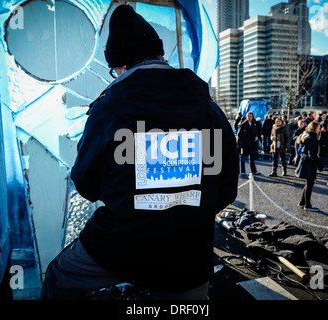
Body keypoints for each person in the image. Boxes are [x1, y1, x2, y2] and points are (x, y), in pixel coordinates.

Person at [41, 5, 239, 300]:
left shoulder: (108, 108)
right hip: (189, 255)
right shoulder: (210, 110)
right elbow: (226, 188)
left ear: (120, 65)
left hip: (119, 247)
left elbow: (86, 184)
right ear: (160, 55)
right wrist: (184, 212)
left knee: (58, 278)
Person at [295, 121, 324, 212]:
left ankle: (302, 202)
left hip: (305, 161)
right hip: (309, 163)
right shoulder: (311, 138)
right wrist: (320, 165)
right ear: (315, 128)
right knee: (310, 184)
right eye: (319, 128)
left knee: (308, 183)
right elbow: (312, 154)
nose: (320, 129)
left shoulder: (307, 135)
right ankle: (307, 204)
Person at [237, 111, 261, 176]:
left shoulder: (254, 124)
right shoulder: (243, 124)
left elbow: (258, 132)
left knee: (252, 159)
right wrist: (241, 143)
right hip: (245, 144)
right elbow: (239, 134)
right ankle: (242, 171)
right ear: (246, 117)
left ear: (253, 117)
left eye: (251, 116)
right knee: (243, 158)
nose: (250, 118)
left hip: (252, 144)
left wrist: (257, 136)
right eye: (248, 116)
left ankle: (254, 171)